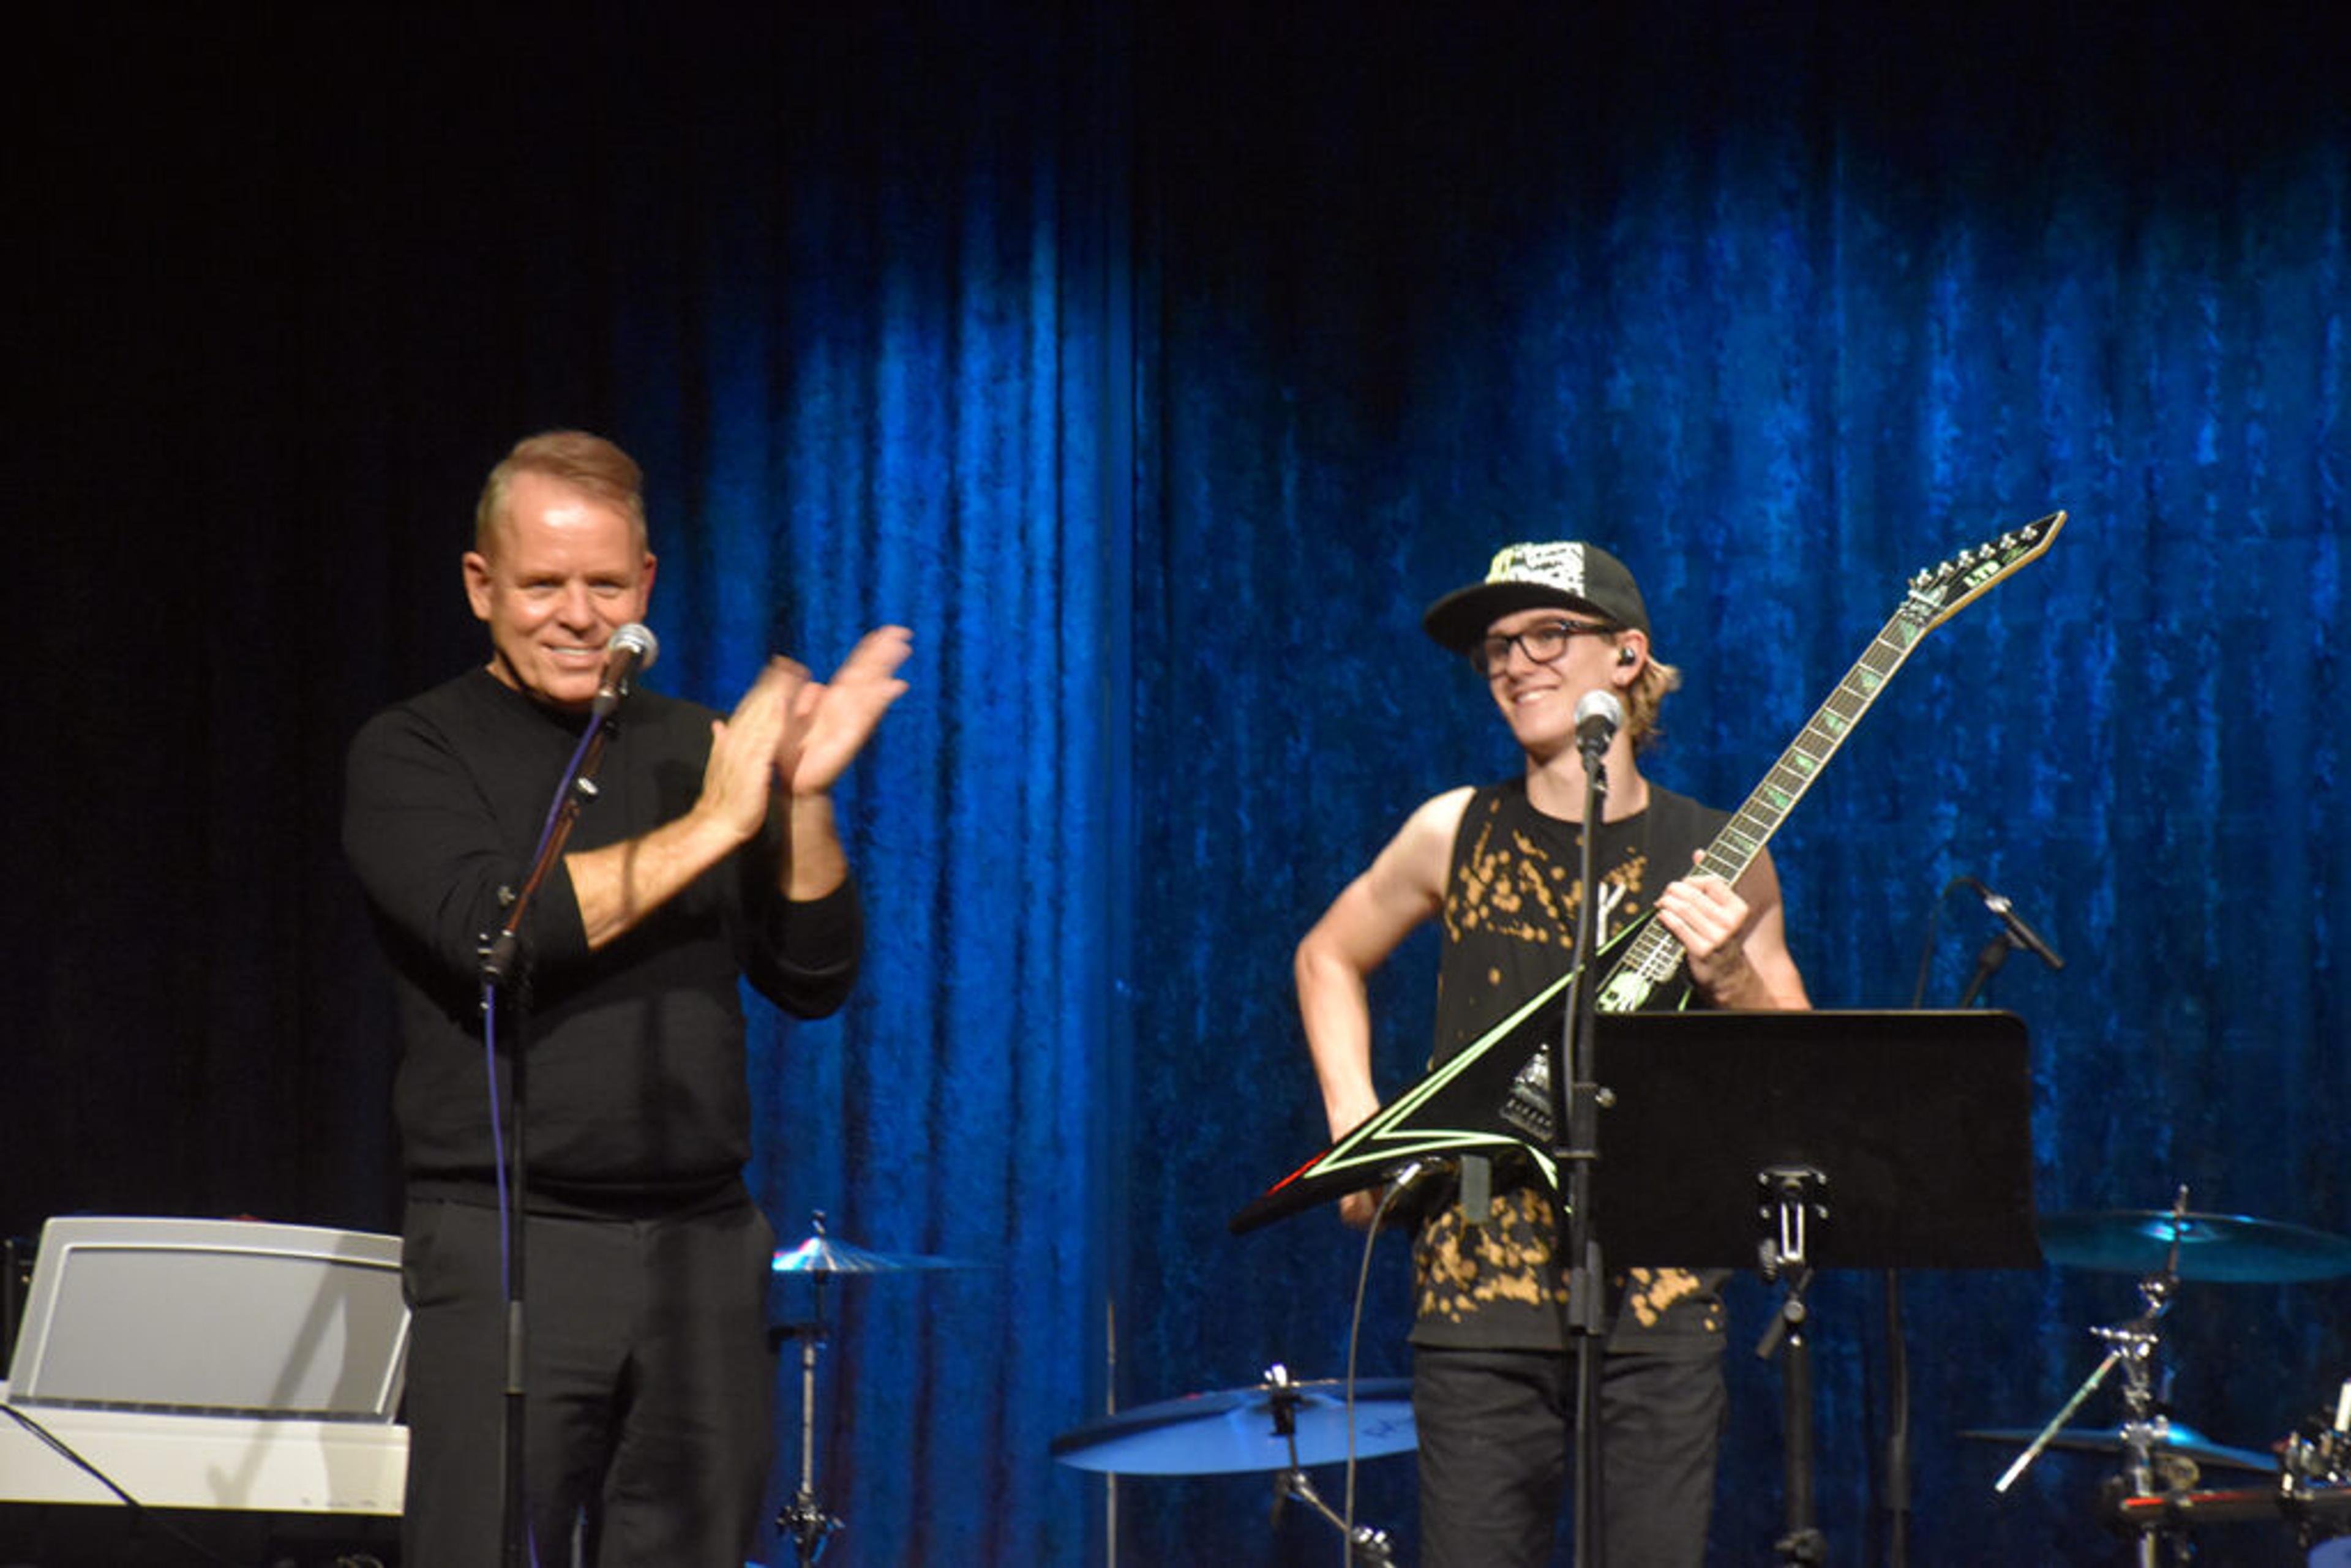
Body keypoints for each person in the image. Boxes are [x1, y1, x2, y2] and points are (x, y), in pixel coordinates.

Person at [342, 430, 910, 1568]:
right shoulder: (412, 749)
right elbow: (495, 933)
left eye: (605, 585)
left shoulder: (700, 745)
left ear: (646, 585)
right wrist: (715, 822)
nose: (576, 615)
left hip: (704, 1246)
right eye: (542, 584)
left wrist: (799, 801)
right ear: (481, 585)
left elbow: (813, 976)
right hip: (510, 1243)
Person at [1293, 539, 1809, 1567]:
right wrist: (1358, 1126)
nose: (1515, 664)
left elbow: (1797, 1069)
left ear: (1628, 655)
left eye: (1548, 635)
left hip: (1660, 1300)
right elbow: (1327, 955)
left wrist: (1730, 977)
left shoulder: (1720, 852)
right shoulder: (1454, 831)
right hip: (1477, 1294)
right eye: (1498, 647)